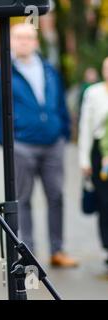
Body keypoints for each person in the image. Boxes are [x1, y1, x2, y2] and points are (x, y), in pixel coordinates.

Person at [0, 23, 77, 267]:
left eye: (29, 38)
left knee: (56, 196)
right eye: (19, 38)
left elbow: (60, 103)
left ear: (36, 42)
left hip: (52, 144)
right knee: (22, 201)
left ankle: (58, 250)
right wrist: (7, 143)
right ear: (11, 42)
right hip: (22, 146)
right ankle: (30, 255)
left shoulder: (49, 69)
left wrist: (63, 133)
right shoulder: (2, 72)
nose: (24, 42)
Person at [78, 57, 108, 267]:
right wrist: (84, 159)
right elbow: (85, 127)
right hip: (100, 156)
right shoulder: (93, 93)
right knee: (105, 204)